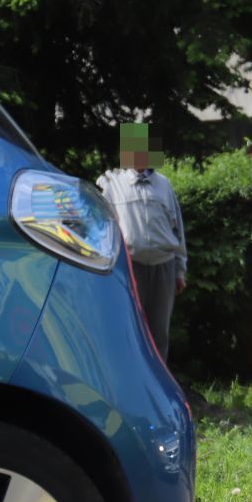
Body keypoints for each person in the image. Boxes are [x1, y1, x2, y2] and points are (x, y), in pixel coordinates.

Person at [98, 122, 187, 361]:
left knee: (158, 333)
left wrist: (180, 269)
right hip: (129, 266)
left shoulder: (164, 184)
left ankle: (157, 391)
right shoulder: (110, 183)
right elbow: (100, 227)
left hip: (163, 267)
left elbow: (177, 229)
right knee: (128, 329)